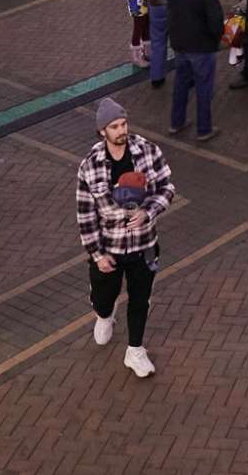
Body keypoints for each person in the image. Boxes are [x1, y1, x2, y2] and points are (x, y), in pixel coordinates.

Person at [77, 98, 176, 378]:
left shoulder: (147, 151)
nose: (122, 130)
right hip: (110, 248)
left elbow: (167, 187)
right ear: (102, 132)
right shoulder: (90, 166)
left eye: (123, 124)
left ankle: (135, 350)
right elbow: (85, 215)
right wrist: (97, 254)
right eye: (114, 126)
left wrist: (149, 211)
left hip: (144, 245)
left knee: (140, 299)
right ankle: (104, 314)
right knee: (103, 296)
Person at [165, 0, 222, 141]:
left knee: (181, 85)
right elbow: (215, 21)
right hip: (202, 47)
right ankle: (204, 128)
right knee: (203, 88)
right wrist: (216, 38)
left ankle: (176, 122)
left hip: (180, 44)